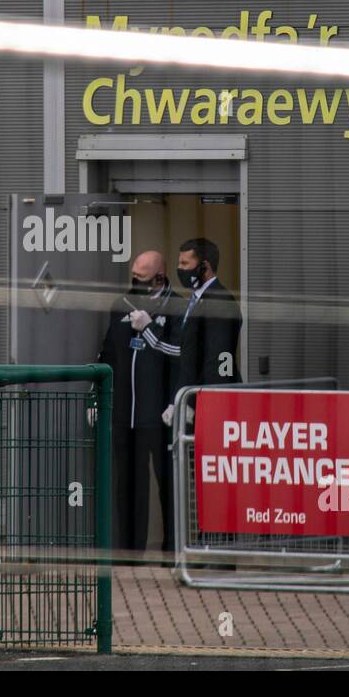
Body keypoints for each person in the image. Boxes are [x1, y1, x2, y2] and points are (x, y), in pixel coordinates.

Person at [93, 250, 180, 554]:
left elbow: (181, 356)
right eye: (132, 276)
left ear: (159, 277)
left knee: (168, 484)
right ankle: (129, 552)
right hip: (125, 414)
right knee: (127, 486)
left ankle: (171, 551)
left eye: (140, 279)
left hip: (160, 414)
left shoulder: (179, 307)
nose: (134, 283)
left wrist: (150, 329)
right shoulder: (121, 306)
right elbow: (109, 353)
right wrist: (98, 397)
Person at [138, 237, 243, 429]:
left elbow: (219, 358)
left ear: (204, 266)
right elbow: (187, 355)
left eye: (185, 263)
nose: (180, 269)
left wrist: (198, 401)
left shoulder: (219, 301)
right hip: (193, 396)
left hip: (211, 402)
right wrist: (177, 399)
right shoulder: (196, 299)